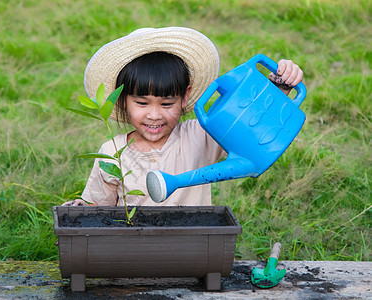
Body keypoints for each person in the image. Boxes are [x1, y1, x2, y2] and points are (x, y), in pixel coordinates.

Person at [64, 27, 303, 207]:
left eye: (167, 103)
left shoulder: (202, 134)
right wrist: (79, 210)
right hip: (133, 253)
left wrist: (279, 87)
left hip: (193, 250)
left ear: (185, 98)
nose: (155, 115)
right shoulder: (112, 152)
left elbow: (255, 125)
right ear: (122, 100)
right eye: (141, 103)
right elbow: (97, 210)